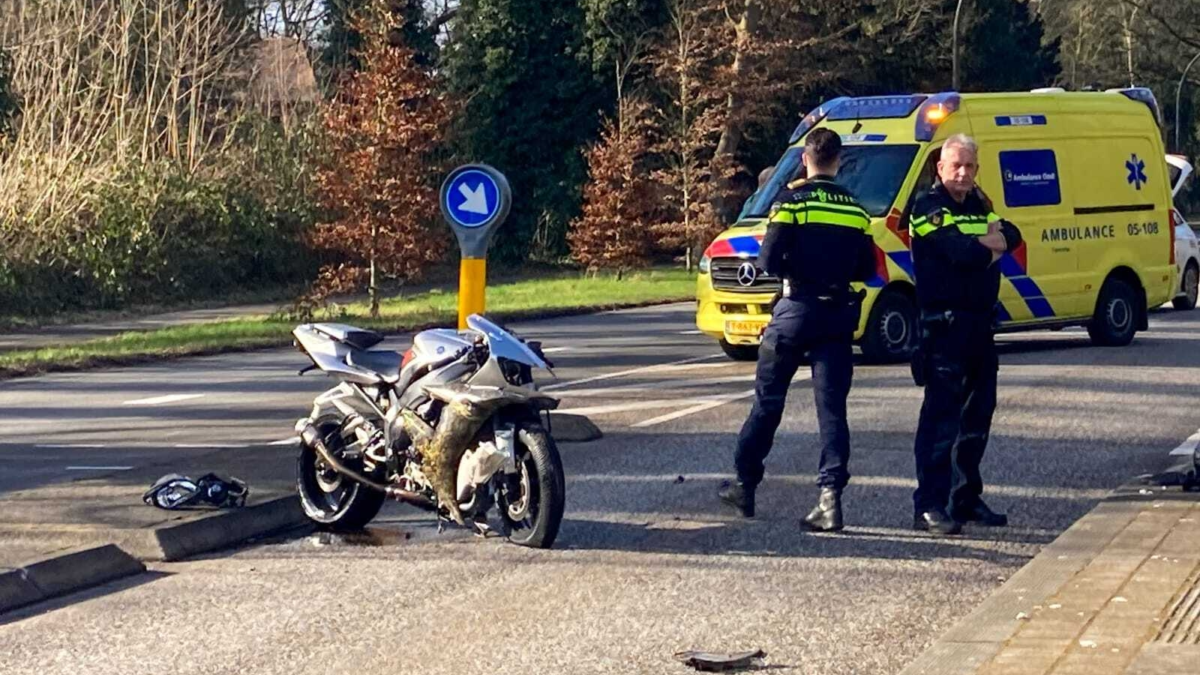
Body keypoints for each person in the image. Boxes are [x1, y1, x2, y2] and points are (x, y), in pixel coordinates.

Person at [719, 128, 875, 532]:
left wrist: (797, 268)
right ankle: (829, 500)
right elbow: (868, 269)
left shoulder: (790, 201)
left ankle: (744, 484)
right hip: (837, 314)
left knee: (768, 403)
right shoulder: (856, 209)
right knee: (832, 411)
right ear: (838, 161)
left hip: (795, 313)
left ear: (806, 159)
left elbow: (769, 260)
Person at [907, 133, 1023, 536]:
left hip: (979, 325)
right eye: (955, 165)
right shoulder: (927, 207)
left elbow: (1013, 233)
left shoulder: (979, 203)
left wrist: (990, 243)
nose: (963, 173)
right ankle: (930, 504)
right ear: (939, 167)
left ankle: (965, 496)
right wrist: (992, 247)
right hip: (943, 326)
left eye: (970, 166)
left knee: (977, 416)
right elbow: (962, 253)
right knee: (941, 422)